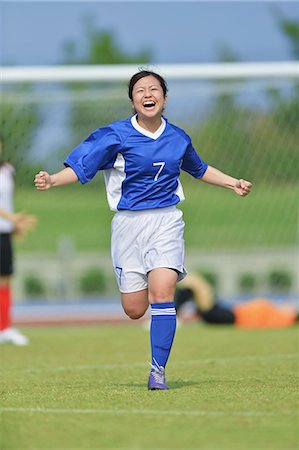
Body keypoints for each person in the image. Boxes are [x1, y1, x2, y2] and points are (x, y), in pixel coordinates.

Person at [34, 69, 252, 390]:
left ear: (164, 98)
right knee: (135, 309)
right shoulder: (114, 136)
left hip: (166, 221)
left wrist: (233, 182)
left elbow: (200, 169)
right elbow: (82, 167)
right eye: (140, 90)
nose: (147, 94)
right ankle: (151, 322)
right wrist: (53, 179)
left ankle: (157, 371)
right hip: (127, 226)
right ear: (133, 100)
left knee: (162, 292)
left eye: (154, 89)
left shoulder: (178, 138)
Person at [0, 135, 37, 345]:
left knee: (5, 278)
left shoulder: (7, 170)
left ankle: (5, 327)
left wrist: (12, 226)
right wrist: (12, 218)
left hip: (3, 233)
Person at [175, 272, 298, 328]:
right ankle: (175, 314)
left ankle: (174, 314)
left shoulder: (284, 318)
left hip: (233, 317)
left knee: (195, 285)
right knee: (195, 286)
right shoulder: (282, 314)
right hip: (233, 312)